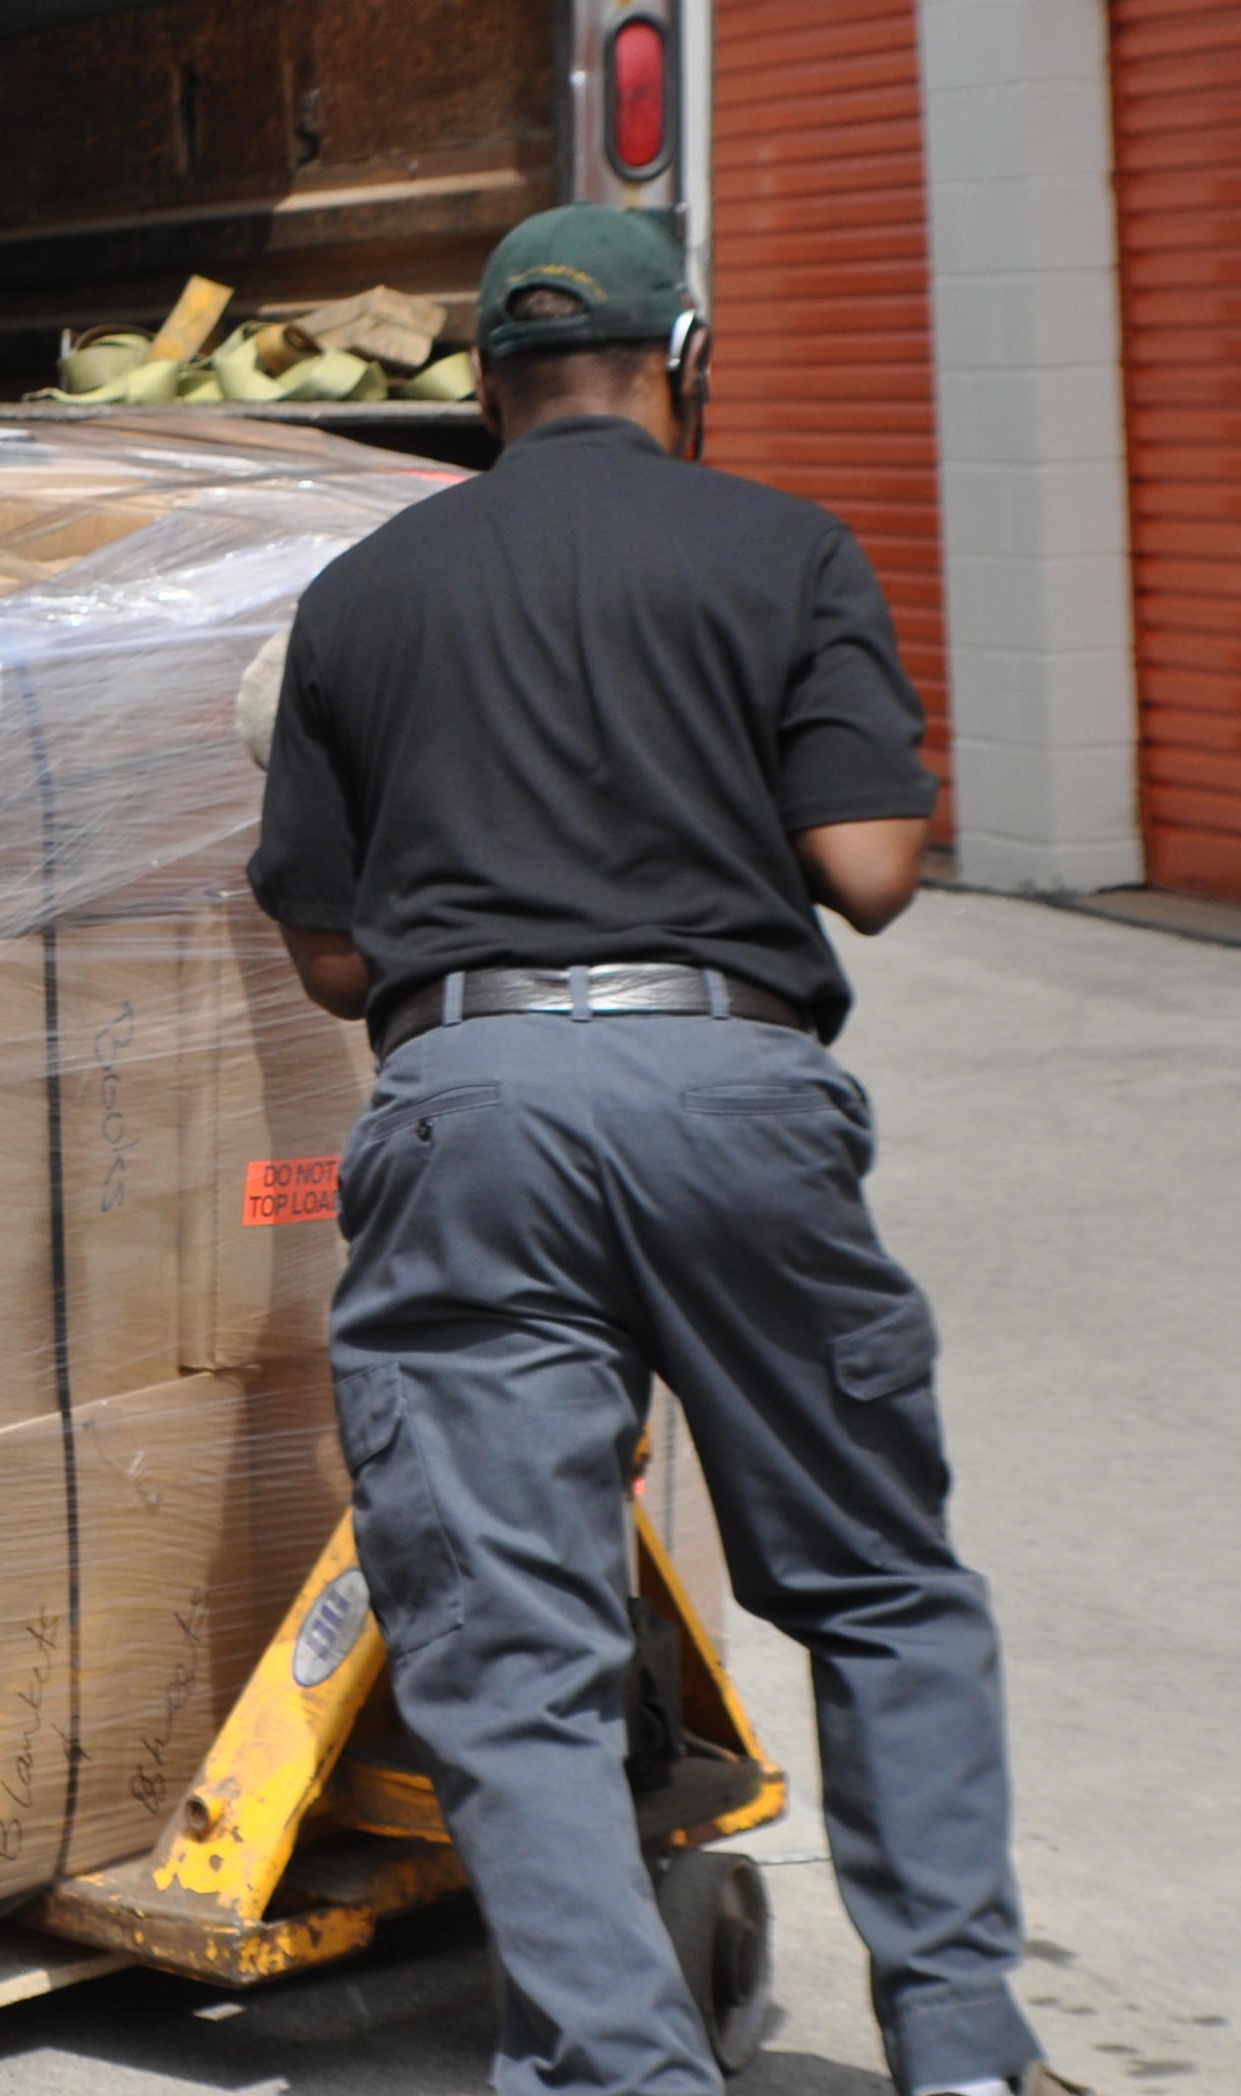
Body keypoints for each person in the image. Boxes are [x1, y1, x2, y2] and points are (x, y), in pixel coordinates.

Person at [246, 205, 1066, 2096]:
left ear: (481, 384)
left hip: (471, 1111)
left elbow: (332, 955)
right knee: (879, 1582)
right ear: (686, 363)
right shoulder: (788, 550)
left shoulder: (363, 591)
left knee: (505, 1639)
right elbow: (871, 869)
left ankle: (624, 2072)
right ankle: (960, 2047)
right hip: (731, 1096)